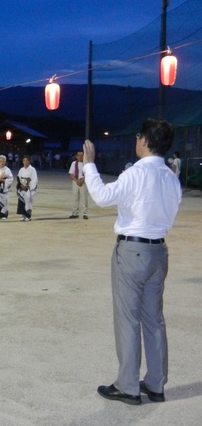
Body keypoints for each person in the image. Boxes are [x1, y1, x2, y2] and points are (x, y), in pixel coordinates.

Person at [84, 119, 181, 406]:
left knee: (128, 319)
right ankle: (155, 384)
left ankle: (127, 386)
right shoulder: (170, 177)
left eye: (139, 136)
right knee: (154, 320)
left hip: (132, 250)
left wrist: (90, 165)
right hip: (158, 251)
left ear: (145, 141)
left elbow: (102, 197)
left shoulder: (136, 173)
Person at [16, 155, 38, 221]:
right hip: (22, 187)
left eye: (27, 160)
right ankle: (23, 215)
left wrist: (29, 187)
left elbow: (34, 179)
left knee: (28, 201)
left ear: (29, 161)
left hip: (29, 188)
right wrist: (21, 185)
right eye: (24, 160)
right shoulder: (21, 169)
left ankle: (28, 216)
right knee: (22, 202)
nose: (25, 162)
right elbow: (19, 178)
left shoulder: (32, 169)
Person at [69, 151, 89, 219]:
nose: (80, 157)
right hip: (75, 181)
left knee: (84, 198)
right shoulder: (74, 163)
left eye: (82, 155)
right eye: (78, 155)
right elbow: (71, 173)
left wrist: (82, 180)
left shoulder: (86, 164)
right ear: (76, 156)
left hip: (84, 181)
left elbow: (88, 174)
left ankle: (85, 213)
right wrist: (76, 180)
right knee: (75, 198)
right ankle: (75, 213)